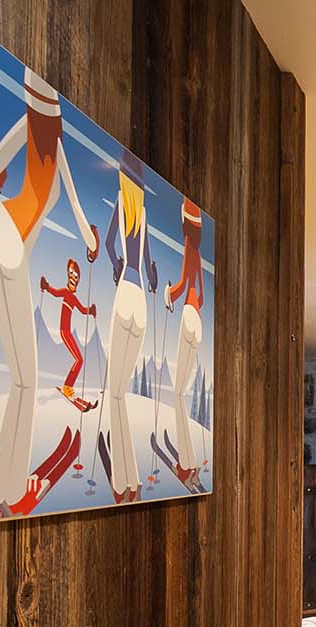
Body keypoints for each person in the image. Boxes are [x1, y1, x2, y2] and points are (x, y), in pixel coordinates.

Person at [0, 67, 98, 515]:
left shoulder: (31, 127)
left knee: (21, 378)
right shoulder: (51, 138)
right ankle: (11, 493)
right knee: (26, 381)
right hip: (9, 240)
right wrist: (90, 242)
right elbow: (76, 206)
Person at [101, 151, 157, 503]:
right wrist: (152, 278)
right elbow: (150, 266)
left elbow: (110, 244)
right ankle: (132, 480)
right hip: (142, 305)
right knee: (121, 392)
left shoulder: (123, 202)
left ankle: (122, 482)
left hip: (125, 292)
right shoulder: (145, 212)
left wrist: (116, 264)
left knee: (116, 392)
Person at [163, 198, 204, 486]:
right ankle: (190, 462)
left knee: (177, 393)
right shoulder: (200, 255)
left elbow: (183, 283)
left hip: (189, 316)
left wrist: (169, 293)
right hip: (198, 319)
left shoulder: (190, 248)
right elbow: (200, 294)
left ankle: (185, 464)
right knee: (182, 393)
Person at [41, 259, 98, 411]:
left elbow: (82, 309)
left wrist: (90, 311)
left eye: (76, 275)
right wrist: (46, 286)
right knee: (79, 360)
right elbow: (55, 293)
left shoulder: (72, 297)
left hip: (67, 332)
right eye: (71, 273)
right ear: (68, 274)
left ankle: (68, 386)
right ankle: (67, 386)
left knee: (79, 360)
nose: (73, 277)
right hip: (64, 331)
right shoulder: (66, 292)